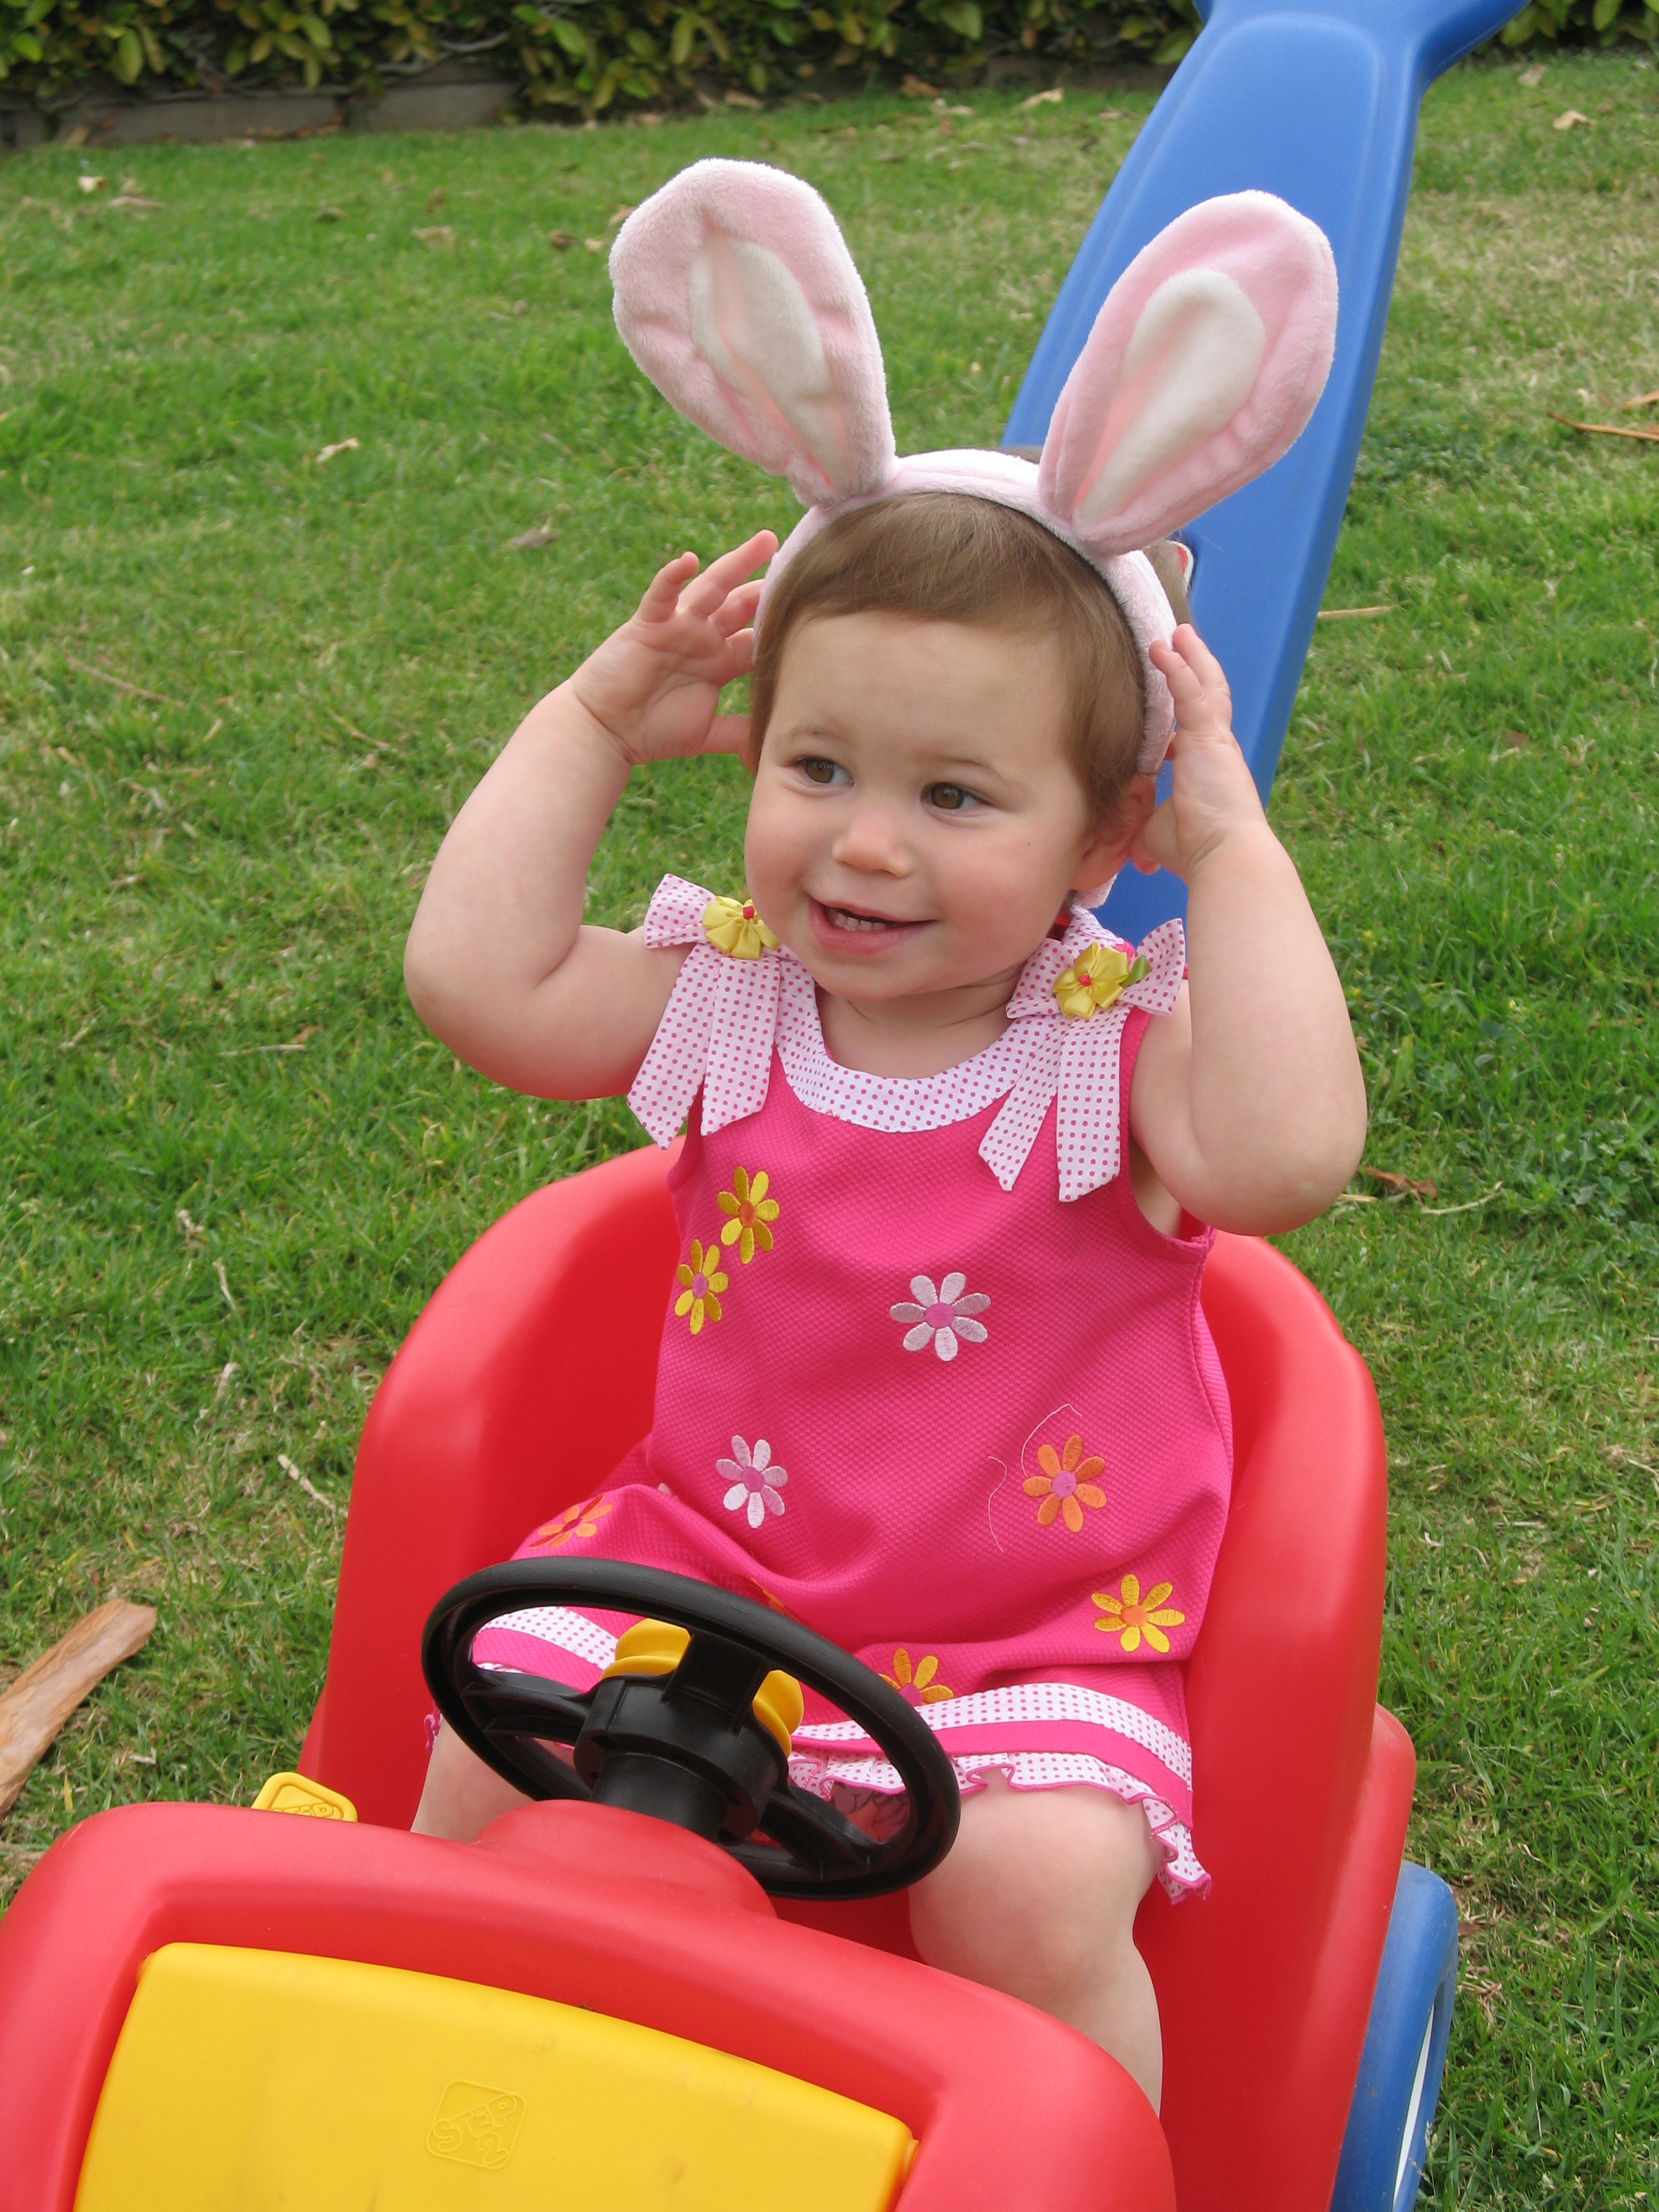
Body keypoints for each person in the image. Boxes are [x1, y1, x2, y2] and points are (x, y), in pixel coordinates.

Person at [399, 162, 1364, 2114]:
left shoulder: (1106, 1051)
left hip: (1034, 1642)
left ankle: (1078, 2160)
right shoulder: (732, 994)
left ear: (1107, 837)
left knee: (1027, 1894)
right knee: (477, 1775)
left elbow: (1283, 1161)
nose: (863, 843)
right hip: (701, 1565)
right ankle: (452, 2093)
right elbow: (479, 982)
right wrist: (592, 722)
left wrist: (1236, 850)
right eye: (817, 764)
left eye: (954, 796)